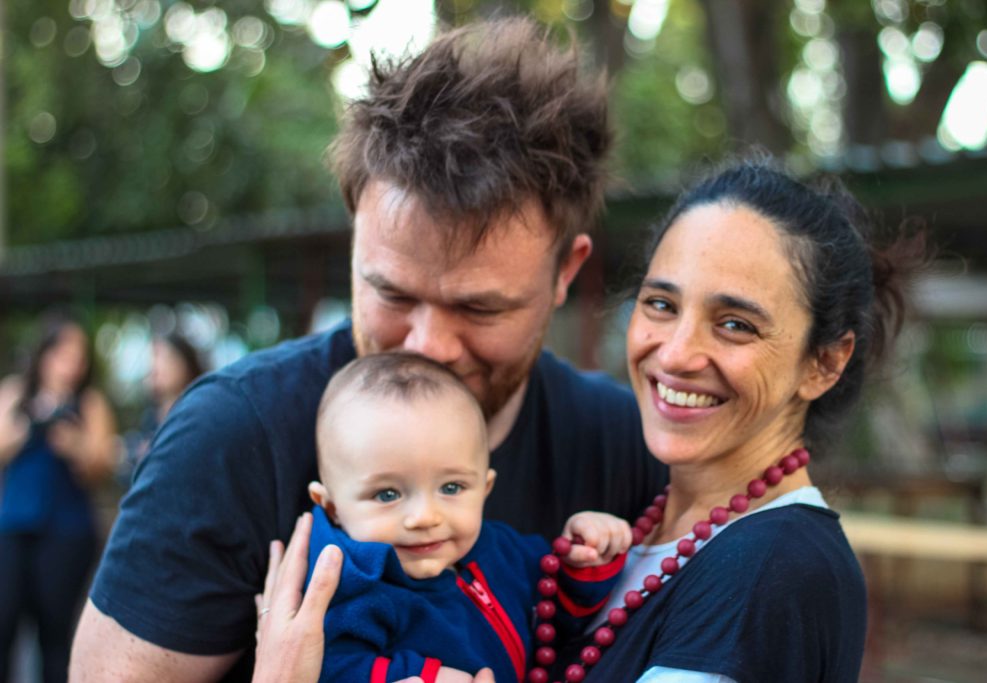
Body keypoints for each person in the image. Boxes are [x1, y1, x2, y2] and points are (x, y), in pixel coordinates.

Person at [71, 17, 665, 683]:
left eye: (479, 306)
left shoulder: (627, 441)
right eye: (393, 293)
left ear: (566, 273)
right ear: (357, 237)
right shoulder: (234, 436)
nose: (428, 346)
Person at [251, 157, 922, 683]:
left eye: (735, 323)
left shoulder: (775, 565)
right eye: (661, 304)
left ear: (824, 362)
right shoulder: (648, 530)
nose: (678, 352)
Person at [307, 352, 630, 682]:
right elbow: (330, 666)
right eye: (387, 494)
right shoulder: (353, 590)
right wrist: (425, 676)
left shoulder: (507, 553)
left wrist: (585, 561)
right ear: (331, 507)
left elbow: (558, 619)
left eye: (451, 487)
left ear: (484, 488)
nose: (424, 517)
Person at [0, 312, 118, 683]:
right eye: (64, 354)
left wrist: (73, 443)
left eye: (78, 356)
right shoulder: (17, 392)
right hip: (14, 526)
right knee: (4, 623)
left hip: (67, 531)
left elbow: (102, 466)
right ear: (45, 354)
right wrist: (27, 426)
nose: (71, 364)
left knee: (55, 632)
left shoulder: (89, 403)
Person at [120, 332, 205, 484]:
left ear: (185, 363)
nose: (156, 366)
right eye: (154, 357)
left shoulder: (197, 411)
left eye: (164, 358)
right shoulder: (150, 415)